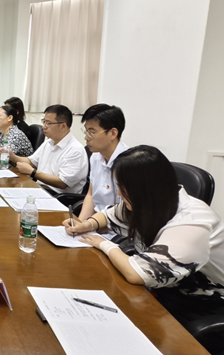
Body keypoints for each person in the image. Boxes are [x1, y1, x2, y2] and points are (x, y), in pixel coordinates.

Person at [62, 145, 224, 354]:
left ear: (144, 187)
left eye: (122, 187)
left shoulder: (193, 222)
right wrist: (88, 224)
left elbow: (138, 274)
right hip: (163, 289)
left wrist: (103, 243)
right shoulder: (149, 202)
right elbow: (109, 216)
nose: (118, 193)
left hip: (202, 301)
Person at [64, 104, 128, 226]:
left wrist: (91, 226)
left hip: (115, 229)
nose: (86, 138)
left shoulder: (128, 164)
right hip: (94, 224)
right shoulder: (95, 157)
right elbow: (91, 195)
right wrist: (80, 223)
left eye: (92, 132)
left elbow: (125, 213)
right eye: (86, 131)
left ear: (113, 133)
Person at [9, 104, 88, 195]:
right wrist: (12, 156)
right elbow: (31, 162)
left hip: (58, 196)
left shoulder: (75, 150)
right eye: (44, 122)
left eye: (48, 123)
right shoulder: (49, 142)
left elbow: (62, 183)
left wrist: (32, 172)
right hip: (40, 188)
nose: (44, 126)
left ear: (63, 126)